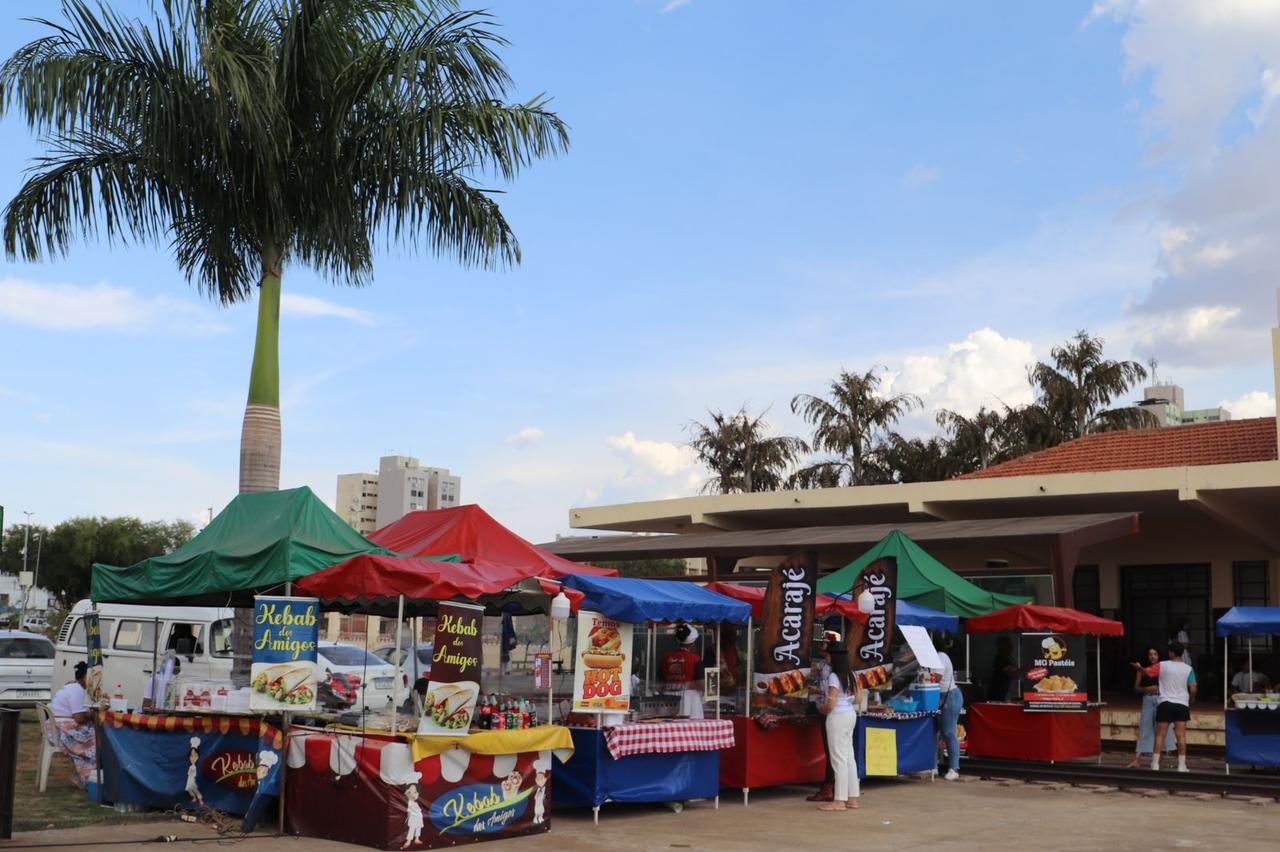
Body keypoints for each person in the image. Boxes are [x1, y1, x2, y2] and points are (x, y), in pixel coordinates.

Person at [1132, 641, 1197, 772]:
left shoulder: (1162, 665)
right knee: (1181, 735)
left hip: (1165, 703)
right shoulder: (1188, 668)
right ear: (1182, 653)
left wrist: (1139, 668)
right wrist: (1190, 700)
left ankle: (1155, 764)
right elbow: (1193, 689)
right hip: (1182, 704)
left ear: (1171, 653)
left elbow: (1146, 672)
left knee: (1160, 735)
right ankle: (1182, 765)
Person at [816, 641, 859, 812]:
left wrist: (822, 709)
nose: (826, 657)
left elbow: (831, 703)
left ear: (833, 656)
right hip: (850, 714)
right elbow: (859, 699)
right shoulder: (852, 674)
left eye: (827, 654)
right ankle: (853, 798)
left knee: (838, 758)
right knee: (849, 757)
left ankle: (839, 800)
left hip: (837, 717)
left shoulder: (834, 676)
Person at [50, 662, 97, 789]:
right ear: (85, 677)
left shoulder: (73, 687)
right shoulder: (76, 689)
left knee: (93, 733)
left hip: (56, 727)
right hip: (61, 730)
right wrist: (93, 714)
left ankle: (84, 776)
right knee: (97, 740)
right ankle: (89, 779)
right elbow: (79, 718)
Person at [1126, 647, 1175, 769]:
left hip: (1161, 699)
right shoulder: (1141, 670)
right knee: (1144, 727)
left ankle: (1159, 760)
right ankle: (1137, 760)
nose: (1152, 656)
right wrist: (1146, 689)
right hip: (1147, 699)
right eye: (1150, 654)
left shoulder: (1163, 668)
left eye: (1155, 654)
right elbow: (1136, 688)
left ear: (1159, 656)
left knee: (1162, 729)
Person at [807, 630, 840, 802]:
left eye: (824, 643)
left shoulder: (834, 671)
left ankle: (829, 787)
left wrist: (823, 706)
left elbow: (831, 694)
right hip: (834, 711)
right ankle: (834, 787)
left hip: (831, 712)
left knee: (832, 751)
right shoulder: (825, 665)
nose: (821, 646)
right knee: (835, 751)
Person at [931, 636, 963, 781]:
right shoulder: (935, 657)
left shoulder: (940, 656)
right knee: (936, 733)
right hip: (940, 697)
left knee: (949, 733)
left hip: (949, 696)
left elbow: (936, 678)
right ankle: (934, 765)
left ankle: (954, 768)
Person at [660, 624, 705, 719]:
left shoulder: (665, 657)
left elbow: (660, 680)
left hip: (669, 699)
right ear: (692, 644)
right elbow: (702, 684)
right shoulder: (695, 659)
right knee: (690, 729)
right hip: (690, 700)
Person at [985, 636, 1019, 701]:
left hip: (1001, 692)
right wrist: (1026, 667)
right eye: (1009, 646)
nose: (1011, 648)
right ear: (1003, 647)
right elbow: (1013, 675)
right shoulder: (1001, 659)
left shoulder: (1006, 658)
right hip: (997, 693)